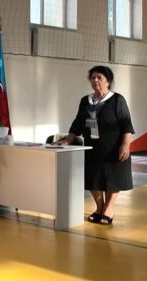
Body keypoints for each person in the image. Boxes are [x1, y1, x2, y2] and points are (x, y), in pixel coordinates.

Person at [57, 66, 134, 225]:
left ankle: (109, 209)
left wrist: (125, 145)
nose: (95, 80)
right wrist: (68, 140)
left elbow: (126, 124)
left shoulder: (117, 100)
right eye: (93, 78)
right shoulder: (85, 101)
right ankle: (99, 208)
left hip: (113, 147)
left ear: (108, 81)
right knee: (94, 178)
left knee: (113, 179)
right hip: (92, 146)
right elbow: (78, 122)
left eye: (99, 77)